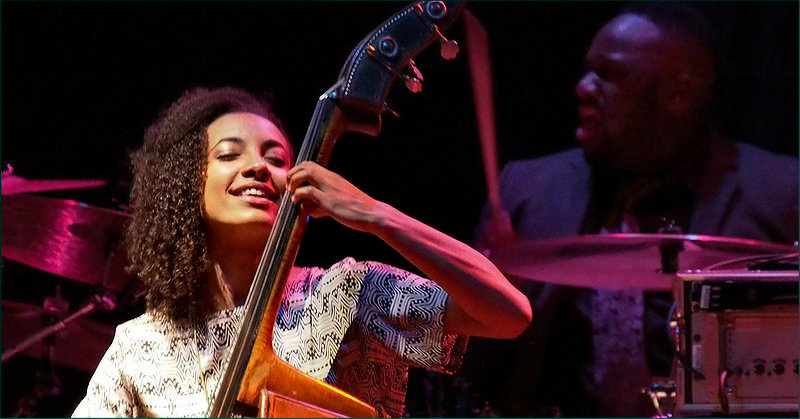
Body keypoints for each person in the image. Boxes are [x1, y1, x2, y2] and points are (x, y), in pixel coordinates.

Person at [70, 86, 532, 417]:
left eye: (276, 158)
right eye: (230, 155)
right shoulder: (140, 346)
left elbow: (507, 313)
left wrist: (377, 215)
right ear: (185, 186)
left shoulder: (344, 293)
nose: (258, 167)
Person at [469, 2, 798, 417]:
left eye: (610, 74)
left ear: (677, 95)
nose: (583, 87)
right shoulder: (527, 188)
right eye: (589, 70)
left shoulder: (783, 195)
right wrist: (480, 290)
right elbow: (471, 371)